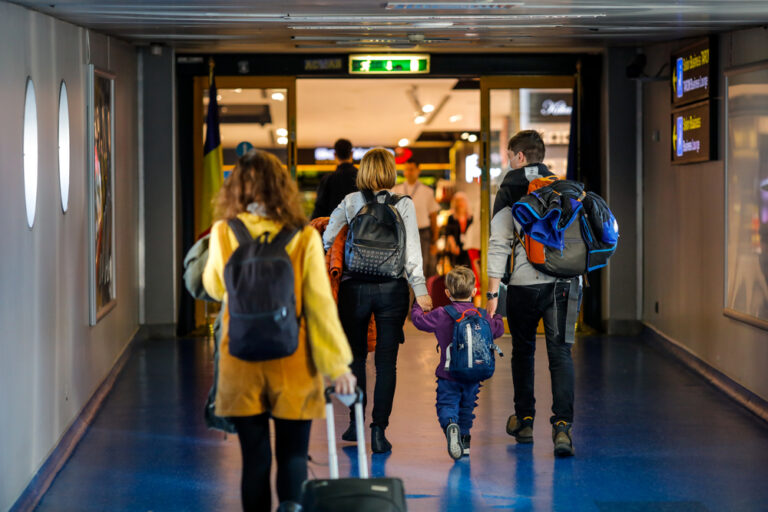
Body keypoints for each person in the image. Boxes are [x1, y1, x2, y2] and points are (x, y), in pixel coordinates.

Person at [202, 149, 356, 511]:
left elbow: (214, 287)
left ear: (238, 188)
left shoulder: (225, 232)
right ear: (282, 188)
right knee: (292, 457)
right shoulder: (302, 236)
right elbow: (319, 306)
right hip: (294, 360)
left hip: (241, 359)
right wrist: (338, 368)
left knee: (254, 461)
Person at [324, 148, 433, 453]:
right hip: (391, 290)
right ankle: (378, 431)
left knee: (356, 357)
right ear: (390, 172)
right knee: (386, 364)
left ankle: (355, 420)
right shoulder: (404, 204)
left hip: (353, 289)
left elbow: (327, 239)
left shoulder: (350, 202)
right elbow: (412, 252)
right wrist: (420, 290)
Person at [485, 130, 579, 457]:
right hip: (564, 285)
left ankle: (525, 421)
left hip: (525, 285)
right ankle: (562, 428)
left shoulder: (510, 186)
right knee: (560, 354)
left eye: (510, 155)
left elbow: (498, 241)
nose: (509, 161)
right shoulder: (561, 185)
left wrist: (492, 292)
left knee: (523, 352)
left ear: (520, 156)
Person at [411, 266, 504, 460]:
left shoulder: (442, 314)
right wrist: (495, 314)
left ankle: (450, 425)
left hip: (448, 373)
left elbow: (419, 321)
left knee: (446, 405)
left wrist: (418, 304)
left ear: (447, 293)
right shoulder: (481, 315)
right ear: (474, 291)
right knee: (467, 408)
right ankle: (465, 441)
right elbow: (498, 330)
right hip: (475, 372)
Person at [392, 159, 440, 278]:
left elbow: (433, 217)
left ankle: (420, 295)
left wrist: (435, 241)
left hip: (422, 233)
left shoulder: (427, 191)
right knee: (402, 267)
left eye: (412, 169)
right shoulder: (396, 190)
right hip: (403, 233)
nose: (409, 172)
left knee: (421, 267)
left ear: (418, 171)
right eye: (407, 169)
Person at [311, 138, 358, 219]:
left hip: (334, 227)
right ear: (352, 153)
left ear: (335, 155)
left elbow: (320, 209)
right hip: (358, 227)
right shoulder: (361, 177)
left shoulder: (328, 179)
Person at [441, 191, 474, 268]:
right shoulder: (451, 218)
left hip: (468, 249)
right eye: (458, 201)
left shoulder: (471, 218)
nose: (460, 204)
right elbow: (449, 233)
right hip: (456, 249)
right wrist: (453, 246)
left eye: (462, 201)